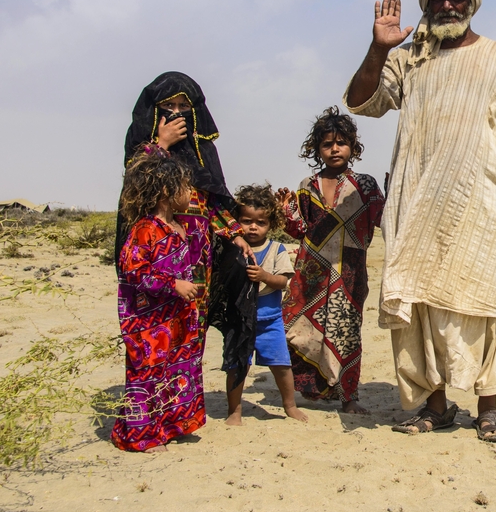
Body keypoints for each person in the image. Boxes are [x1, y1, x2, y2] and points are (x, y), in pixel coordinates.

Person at [344, 0, 496, 443]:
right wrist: (378, 47)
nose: (448, 6)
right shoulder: (407, 59)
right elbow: (361, 103)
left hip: (479, 201)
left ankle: (489, 405)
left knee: (484, 301)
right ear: (425, 3)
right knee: (419, 304)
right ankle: (435, 406)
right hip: (415, 206)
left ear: (472, 0)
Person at [116, 72, 258, 373]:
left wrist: (234, 234)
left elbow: (214, 199)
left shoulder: (203, 150)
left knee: (194, 320)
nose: (178, 113)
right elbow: (138, 187)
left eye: (184, 106)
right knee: (157, 322)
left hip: (197, 252)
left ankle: (184, 392)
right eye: (170, 106)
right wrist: (161, 144)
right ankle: (155, 393)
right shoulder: (142, 150)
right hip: (158, 249)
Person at [277, 107, 385, 415]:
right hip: (310, 272)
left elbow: (382, 219)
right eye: (327, 144)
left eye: (341, 142)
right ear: (317, 149)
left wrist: (396, 196)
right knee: (295, 327)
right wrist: (285, 209)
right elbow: (299, 229)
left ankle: (348, 397)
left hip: (349, 274)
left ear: (353, 146)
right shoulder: (306, 186)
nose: (334, 149)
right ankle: (317, 387)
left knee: (346, 333)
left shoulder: (365, 186)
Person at [112, 147, 210, 452]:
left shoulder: (180, 227)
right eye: (184, 187)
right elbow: (132, 271)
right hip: (147, 323)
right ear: (167, 191)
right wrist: (173, 285)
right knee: (148, 373)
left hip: (177, 318)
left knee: (176, 370)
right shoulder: (145, 229)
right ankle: (141, 434)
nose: (190, 193)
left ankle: (169, 426)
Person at [224, 184, 308, 425]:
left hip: (269, 320)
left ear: (270, 223)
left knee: (281, 364)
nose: (252, 227)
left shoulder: (276, 249)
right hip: (238, 320)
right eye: (246, 221)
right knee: (237, 365)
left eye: (260, 222)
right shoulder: (232, 248)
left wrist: (264, 277)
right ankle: (235, 410)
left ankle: (289, 405)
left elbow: (283, 281)